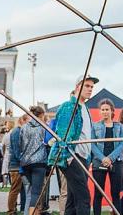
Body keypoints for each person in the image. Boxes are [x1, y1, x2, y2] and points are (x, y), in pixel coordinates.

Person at [48, 77, 97, 215]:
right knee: (84, 197)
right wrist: (68, 157)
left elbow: (86, 135)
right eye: (86, 86)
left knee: (72, 199)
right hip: (71, 156)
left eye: (92, 87)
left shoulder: (85, 108)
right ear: (77, 87)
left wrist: (88, 158)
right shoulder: (69, 106)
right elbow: (63, 134)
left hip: (83, 158)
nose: (90, 89)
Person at [9, 105, 49, 215]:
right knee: (36, 192)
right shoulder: (43, 127)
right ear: (41, 115)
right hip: (39, 162)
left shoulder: (24, 127)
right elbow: (47, 143)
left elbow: (20, 144)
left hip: (25, 163)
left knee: (31, 191)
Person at [90, 99, 123, 215]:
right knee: (98, 193)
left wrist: (110, 158)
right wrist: (103, 158)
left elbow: (122, 144)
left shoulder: (119, 126)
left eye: (107, 109)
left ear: (112, 111)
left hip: (116, 161)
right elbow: (92, 145)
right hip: (98, 162)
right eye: (103, 109)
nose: (105, 112)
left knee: (115, 193)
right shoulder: (95, 126)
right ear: (100, 111)